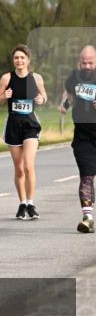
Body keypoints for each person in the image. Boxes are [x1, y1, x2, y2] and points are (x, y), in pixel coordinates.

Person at [0, 45, 48, 220]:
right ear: (13, 60)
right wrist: (4, 96)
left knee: (28, 166)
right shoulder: (7, 78)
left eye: (22, 58)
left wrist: (41, 99)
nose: (19, 61)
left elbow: (43, 97)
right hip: (13, 124)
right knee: (19, 170)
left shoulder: (36, 78)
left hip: (30, 124)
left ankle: (31, 203)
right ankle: (22, 203)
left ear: (28, 60)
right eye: (16, 58)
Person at [59, 45, 96, 234]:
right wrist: (64, 105)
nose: (87, 66)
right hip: (83, 137)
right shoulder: (74, 76)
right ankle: (88, 218)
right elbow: (70, 94)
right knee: (87, 175)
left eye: (90, 62)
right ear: (79, 62)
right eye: (84, 62)